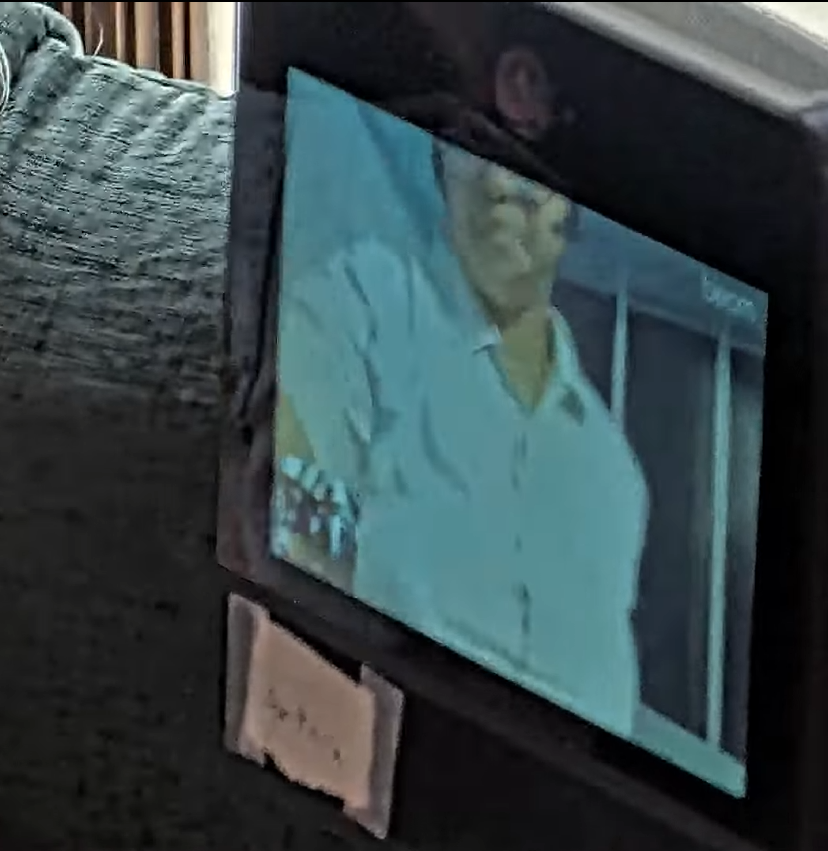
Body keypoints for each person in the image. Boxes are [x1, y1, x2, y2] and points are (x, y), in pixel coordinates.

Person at [271, 85, 649, 737]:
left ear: (571, 212)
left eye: (528, 172)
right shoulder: (361, 302)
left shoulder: (613, 472)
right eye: (470, 149)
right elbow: (292, 544)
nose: (498, 187)